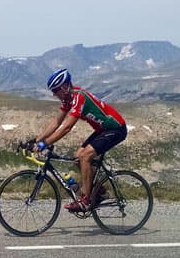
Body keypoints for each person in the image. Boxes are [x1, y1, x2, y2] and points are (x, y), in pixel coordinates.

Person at [33, 68, 128, 212]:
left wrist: (45, 143)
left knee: (85, 156)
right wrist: (37, 140)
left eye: (56, 90)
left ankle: (85, 200)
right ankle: (99, 191)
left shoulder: (79, 98)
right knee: (78, 157)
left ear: (65, 87)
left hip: (116, 129)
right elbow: (56, 123)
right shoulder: (67, 100)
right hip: (103, 130)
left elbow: (66, 127)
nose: (54, 94)